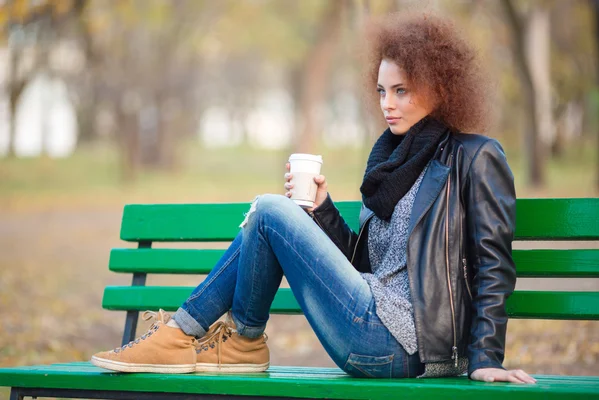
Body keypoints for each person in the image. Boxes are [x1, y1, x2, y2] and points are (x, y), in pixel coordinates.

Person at [91, 13, 536, 384]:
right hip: (366, 320)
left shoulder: (474, 157)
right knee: (268, 218)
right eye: (382, 91)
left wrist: (485, 360)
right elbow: (365, 269)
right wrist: (322, 211)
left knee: (267, 211)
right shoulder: (391, 161)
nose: (388, 104)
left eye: (402, 90)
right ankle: (226, 342)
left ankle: (210, 337)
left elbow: (493, 263)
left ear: (440, 87)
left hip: (406, 345)